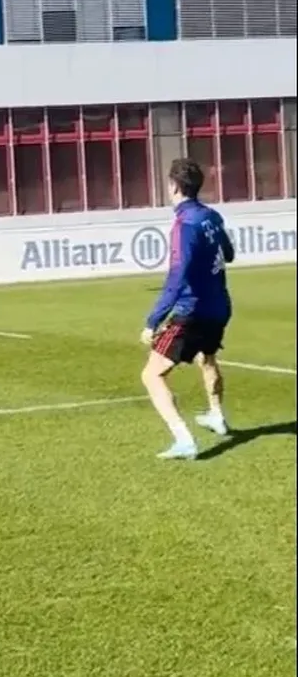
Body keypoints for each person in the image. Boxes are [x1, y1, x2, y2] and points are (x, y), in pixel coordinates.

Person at [139, 158, 235, 460]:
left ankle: (183, 439)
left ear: (175, 186)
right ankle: (216, 415)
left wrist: (153, 320)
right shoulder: (211, 216)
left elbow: (177, 277)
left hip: (192, 312)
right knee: (207, 358)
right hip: (219, 306)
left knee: (152, 375)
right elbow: (229, 254)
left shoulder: (184, 225)